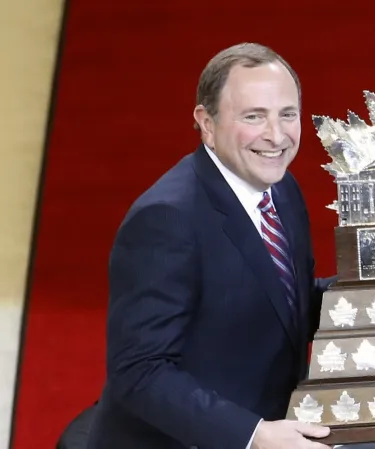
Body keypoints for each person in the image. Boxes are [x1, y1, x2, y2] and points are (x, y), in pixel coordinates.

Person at [86, 43, 337, 449]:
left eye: (287, 114)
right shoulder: (166, 219)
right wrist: (254, 436)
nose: (276, 136)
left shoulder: (281, 188)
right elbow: (139, 371)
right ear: (206, 123)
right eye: (254, 116)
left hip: (279, 425)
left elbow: (283, 306)